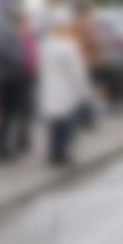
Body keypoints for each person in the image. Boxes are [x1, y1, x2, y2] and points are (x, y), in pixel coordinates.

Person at [0, 0, 34, 161]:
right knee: (7, 113)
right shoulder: (4, 27)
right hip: (8, 76)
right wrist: (18, 60)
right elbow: (2, 50)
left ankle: (2, 146)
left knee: (4, 113)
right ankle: (1, 148)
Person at [38, 16, 93, 167]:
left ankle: (53, 153)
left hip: (50, 89)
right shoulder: (68, 47)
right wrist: (84, 91)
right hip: (66, 91)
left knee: (55, 124)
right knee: (67, 125)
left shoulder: (46, 45)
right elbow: (77, 72)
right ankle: (61, 154)